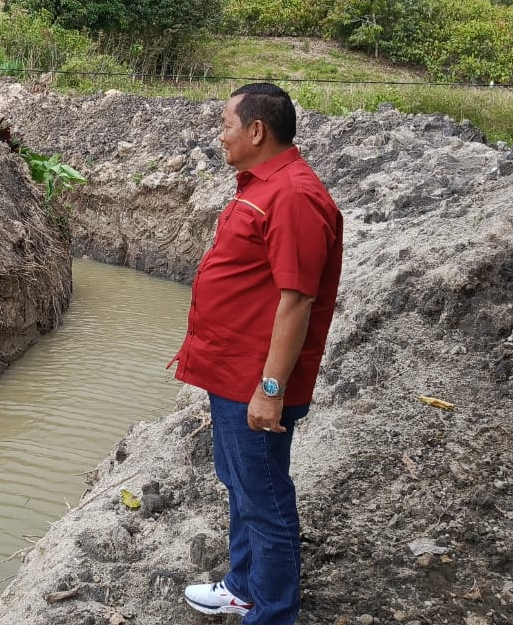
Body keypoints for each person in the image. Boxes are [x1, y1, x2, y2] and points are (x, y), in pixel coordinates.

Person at [169, 83, 343, 623]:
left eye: (225, 124)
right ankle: (243, 585)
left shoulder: (293, 196)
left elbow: (297, 301)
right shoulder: (263, 186)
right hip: (230, 374)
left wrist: (270, 390)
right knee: (241, 484)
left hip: (254, 381)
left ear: (256, 131)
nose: (220, 135)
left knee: (266, 501)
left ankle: (272, 612)